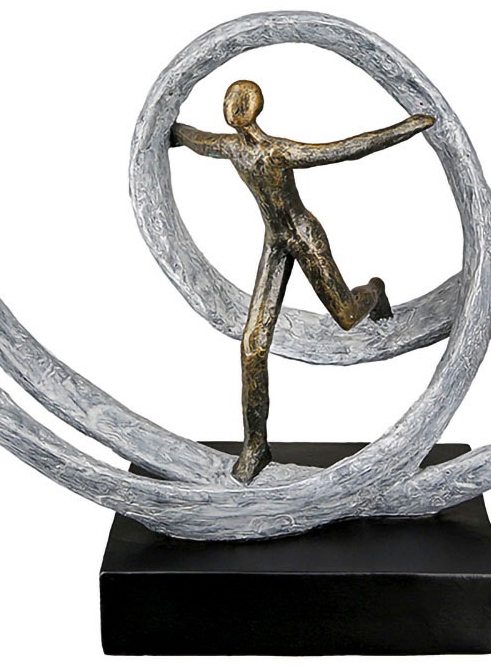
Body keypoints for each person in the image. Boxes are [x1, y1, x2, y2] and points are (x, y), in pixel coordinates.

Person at [171, 80, 435, 483]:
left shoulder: (278, 151)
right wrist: (169, 131)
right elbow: (196, 140)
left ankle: (375, 290)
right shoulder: (231, 148)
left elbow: (345, 149)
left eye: (241, 102)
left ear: (254, 109)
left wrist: (406, 128)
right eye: (230, 102)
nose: (234, 109)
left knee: (347, 316)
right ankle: (256, 446)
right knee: (252, 346)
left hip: (305, 238)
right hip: (276, 243)